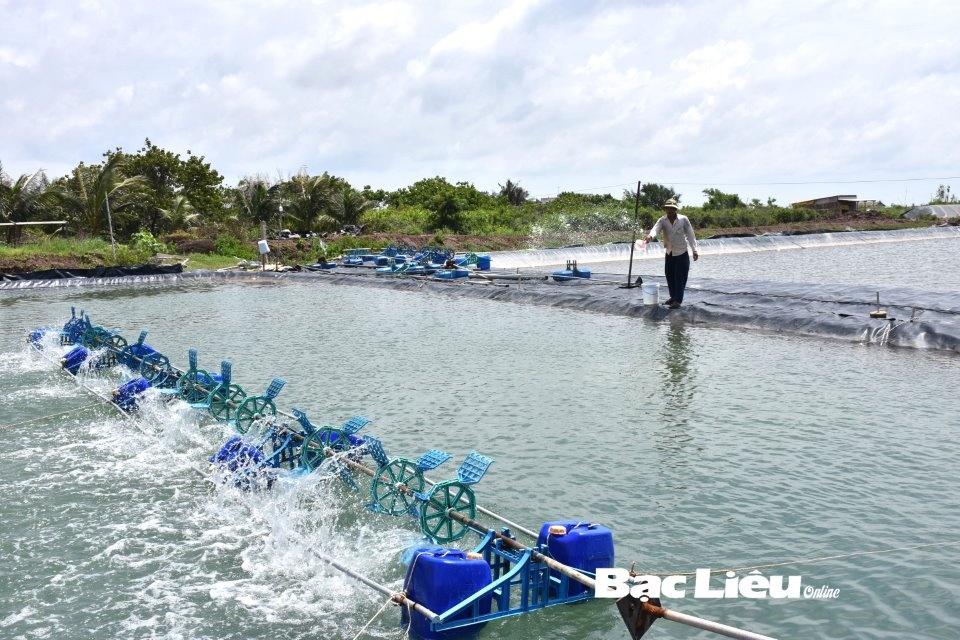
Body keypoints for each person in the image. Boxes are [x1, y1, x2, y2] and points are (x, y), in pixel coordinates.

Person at [644, 198, 698, 309]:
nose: (669, 210)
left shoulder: (683, 219)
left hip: (681, 252)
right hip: (669, 252)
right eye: (667, 208)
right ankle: (673, 297)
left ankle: (678, 300)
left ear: (675, 209)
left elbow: (691, 235)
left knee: (680, 275)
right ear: (665, 209)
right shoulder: (663, 220)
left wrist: (694, 249)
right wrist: (650, 236)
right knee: (669, 274)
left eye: (672, 208)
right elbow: (655, 229)